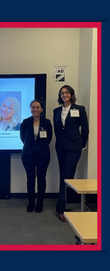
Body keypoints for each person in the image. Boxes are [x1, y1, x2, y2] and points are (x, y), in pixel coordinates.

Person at [53, 85, 89, 222]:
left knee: (67, 176)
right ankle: (65, 204)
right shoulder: (56, 111)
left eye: (67, 92)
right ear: (60, 95)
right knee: (64, 175)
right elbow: (57, 129)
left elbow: (85, 128)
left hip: (74, 147)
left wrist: (82, 144)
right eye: (62, 93)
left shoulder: (79, 109)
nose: (65, 95)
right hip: (61, 147)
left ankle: (61, 209)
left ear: (71, 94)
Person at [19, 100, 52, 213]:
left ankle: (40, 203)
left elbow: (49, 138)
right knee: (30, 178)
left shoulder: (47, 123)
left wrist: (39, 147)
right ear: (30, 109)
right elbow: (23, 137)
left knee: (41, 179)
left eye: (37, 107)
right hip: (28, 154)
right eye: (33, 107)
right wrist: (31, 146)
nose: (35, 109)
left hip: (43, 154)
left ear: (41, 109)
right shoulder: (25, 122)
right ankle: (31, 202)